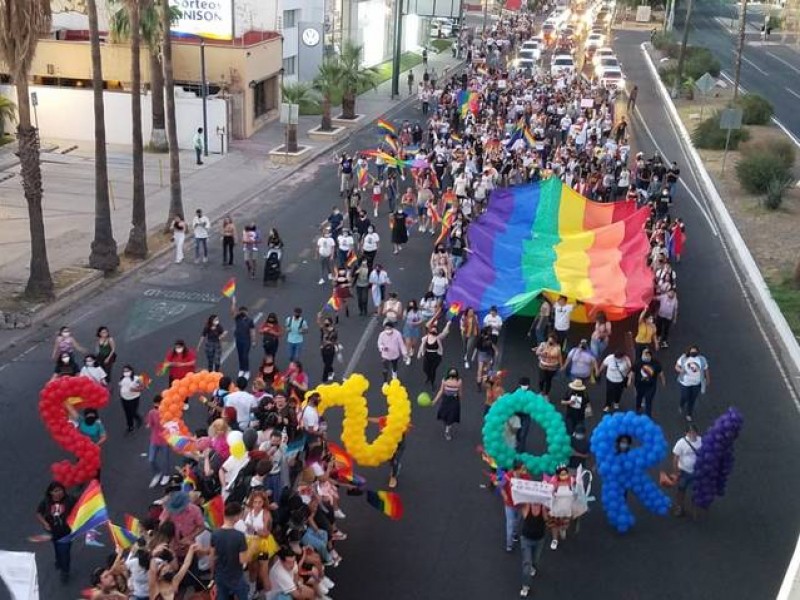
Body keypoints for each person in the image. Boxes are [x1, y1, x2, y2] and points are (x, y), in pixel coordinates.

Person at [210, 501, 251, 600]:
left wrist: (212, 576)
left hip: (220, 575)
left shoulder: (215, 534)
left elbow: (212, 557)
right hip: (236, 576)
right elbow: (242, 560)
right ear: (236, 517)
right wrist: (251, 551)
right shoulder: (239, 536)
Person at [36, 482, 75, 582]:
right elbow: (39, 513)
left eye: (60, 490)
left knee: (65, 552)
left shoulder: (69, 499)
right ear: (51, 493)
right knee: (57, 547)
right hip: (54, 532)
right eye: (56, 491)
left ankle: (64, 571)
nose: (59, 493)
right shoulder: (46, 502)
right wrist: (45, 523)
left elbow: (80, 506)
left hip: (67, 532)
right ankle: (58, 560)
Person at [672, 424, 702, 517]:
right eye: (690, 432)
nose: (692, 434)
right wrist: (676, 472)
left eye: (694, 432)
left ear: (697, 432)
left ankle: (695, 509)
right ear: (686, 433)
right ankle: (680, 507)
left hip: (697, 471)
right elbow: (675, 458)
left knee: (697, 491)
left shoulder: (701, 441)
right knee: (681, 490)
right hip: (684, 472)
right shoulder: (681, 443)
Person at [675, 345, 710, 422]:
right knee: (685, 396)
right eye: (692, 351)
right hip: (685, 382)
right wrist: (681, 370)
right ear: (689, 351)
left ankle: (689, 413)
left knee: (692, 399)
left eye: (695, 351)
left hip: (696, 383)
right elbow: (676, 366)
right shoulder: (684, 357)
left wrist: (708, 379)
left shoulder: (702, 359)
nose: (693, 353)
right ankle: (681, 404)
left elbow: (706, 369)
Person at [146, 394, 171, 488]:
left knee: (165, 459)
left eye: (158, 405)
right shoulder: (152, 412)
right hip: (155, 438)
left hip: (165, 439)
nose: (156, 407)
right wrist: (149, 424)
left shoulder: (167, 413)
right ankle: (157, 472)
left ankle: (166, 475)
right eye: (155, 405)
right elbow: (150, 423)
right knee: (151, 459)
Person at [418, 321, 451, 389]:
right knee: (425, 369)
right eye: (432, 330)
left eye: (435, 330)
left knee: (433, 370)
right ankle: (429, 377)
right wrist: (419, 354)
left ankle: (432, 383)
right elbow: (421, 346)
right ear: (430, 331)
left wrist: (447, 325)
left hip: (436, 357)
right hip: (427, 356)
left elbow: (444, 333)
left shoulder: (438, 338)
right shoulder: (425, 338)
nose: (433, 331)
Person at [633, 347, 666, 416]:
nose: (645, 356)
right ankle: (638, 407)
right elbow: (633, 371)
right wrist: (629, 380)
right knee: (639, 397)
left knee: (648, 400)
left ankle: (648, 415)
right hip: (639, 385)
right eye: (644, 354)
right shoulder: (638, 362)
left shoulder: (655, 363)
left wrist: (663, 380)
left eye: (647, 354)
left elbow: (660, 372)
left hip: (651, 385)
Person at [432, 367, 462, 441]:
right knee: (444, 414)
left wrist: (459, 400)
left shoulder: (459, 381)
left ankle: (447, 430)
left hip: (454, 400)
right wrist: (434, 400)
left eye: (454, 372)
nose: (452, 374)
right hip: (446, 400)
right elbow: (441, 391)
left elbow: (460, 392)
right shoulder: (444, 381)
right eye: (451, 372)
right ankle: (447, 423)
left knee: (451, 416)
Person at [232, 303, 257, 379]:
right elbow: (233, 311)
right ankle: (241, 369)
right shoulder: (237, 318)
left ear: (247, 312)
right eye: (242, 311)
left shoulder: (250, 320)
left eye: (245, 311)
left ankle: (247, 371)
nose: (243, 313)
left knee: (245, 356)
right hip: (238, 340)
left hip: (246, 340)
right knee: (240, 355)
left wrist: (253, 341)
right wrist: (234, 303)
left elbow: (252, 330)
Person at [534, 333, 563, 399]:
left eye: (552, 341)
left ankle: (546, 395)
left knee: (548, 381)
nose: (550, 342)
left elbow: (559, 357)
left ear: (555, 341)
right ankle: (541, 392)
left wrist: (561, 365)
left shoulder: (558, 347)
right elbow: (537, 352)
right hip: (543, 365)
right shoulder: (543, 344)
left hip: (552, 367)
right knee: (541, 379)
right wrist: (542, 353)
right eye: (549, 340)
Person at [118, 364, 144, 432]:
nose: (125, 373)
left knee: (132, 412)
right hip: (124, 398)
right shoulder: (122, 378)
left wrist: (134, 390)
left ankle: (138, 418)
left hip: (134, 398)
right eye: (124, 371)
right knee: (127, 413)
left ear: (131, 371)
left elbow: (142, 387)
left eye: (127, 371)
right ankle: (130, 426)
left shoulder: (136, 378)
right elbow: (121, 386)